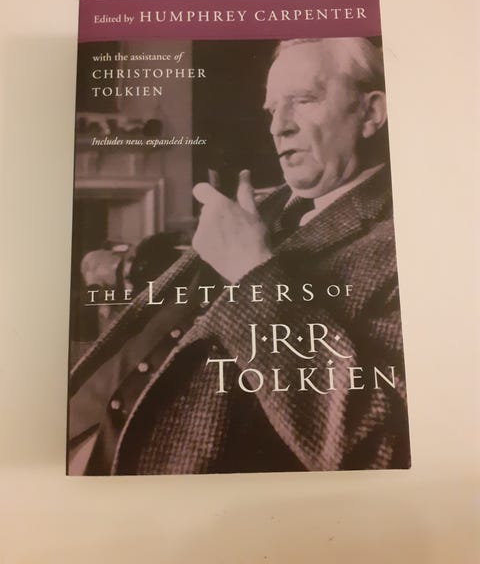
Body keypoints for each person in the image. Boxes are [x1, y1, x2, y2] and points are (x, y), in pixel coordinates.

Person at [68, 37, 410, 475]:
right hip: (80, 430)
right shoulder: (262, 204)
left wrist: (252, 273)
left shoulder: (407, 244)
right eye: (272, 109)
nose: (278, 127)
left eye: (304, 100)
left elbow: (384, 449)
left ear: (371, 112)